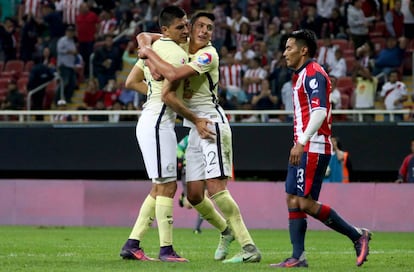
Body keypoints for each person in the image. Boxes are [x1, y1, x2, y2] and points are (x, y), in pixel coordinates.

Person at [138, 11, 262, 264]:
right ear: (189, 29)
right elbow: (144, 35)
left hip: (211, 124)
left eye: (210, 28)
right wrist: (145, 47)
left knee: (216, 188)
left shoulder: (209, 54)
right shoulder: (180, 45)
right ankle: (225, 231)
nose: (206, 31)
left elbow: (172, 77)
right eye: (201, 26)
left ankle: (248, 246)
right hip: (195, 126)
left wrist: (149, 55)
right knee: (194, 195)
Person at [271, 29, 371, 268]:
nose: (285, 53)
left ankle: (357, 235)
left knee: (304, 202)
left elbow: (319, 112)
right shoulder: (301, 75)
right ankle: (298, 257)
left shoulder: (314, 74)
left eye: (289, 47)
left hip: (312, 146)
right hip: (303, 145)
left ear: (303, 50)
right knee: (292, 199)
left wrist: (302, 142)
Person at [119, 6, 211, 263]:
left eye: (186, 25)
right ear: (166, 29)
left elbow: (130, 82)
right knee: (168, 186)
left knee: (159, 186)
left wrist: (145, 49)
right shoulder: (176, 52)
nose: (186, 30)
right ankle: (166, 249)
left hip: (154, 121)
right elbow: (168, 93)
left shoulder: (158, 45)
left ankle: (132, 243)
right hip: (158, 123)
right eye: (180, 27)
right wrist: (194, 118)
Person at [176, 134, 205, 234]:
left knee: (204, 199)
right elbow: (178, 148)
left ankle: (197, 228)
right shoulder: (189, 138)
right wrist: (183, 156)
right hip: (188, 169)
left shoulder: (208, 137)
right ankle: (184, 196)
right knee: (189, 204)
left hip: (204, 170)